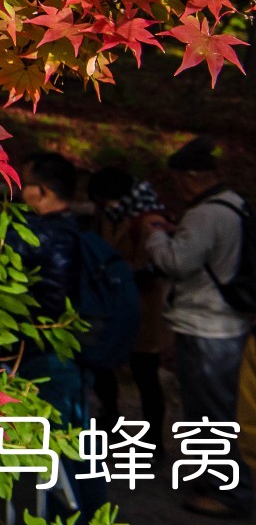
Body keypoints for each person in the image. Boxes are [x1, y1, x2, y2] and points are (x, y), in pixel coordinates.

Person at [146, 136, 253, 519]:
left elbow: (177, 262)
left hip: (207, 326)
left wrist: (156, 232)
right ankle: (219, 482)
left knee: (209, 413)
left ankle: (231, 494)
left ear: (191, 178)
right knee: (217, 409)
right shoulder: (233, 204)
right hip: (227, 322)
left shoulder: (206, 214)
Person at [18, 152, 110, 519]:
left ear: (41, 190)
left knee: (56, 444)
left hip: (47, 354)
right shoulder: (79, 231)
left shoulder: (45, 235)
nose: (19, 191)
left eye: (25, 184)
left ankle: (73, 514)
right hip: (73, 352)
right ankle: (91, 512)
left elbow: (50, 302)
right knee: (77, 440)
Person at [91, 164, 171, 444]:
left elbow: (159, 267)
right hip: (113, 308)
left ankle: (154, 440)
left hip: (143, 311)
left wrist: (120, 276)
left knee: (146, 376)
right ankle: (110, 419)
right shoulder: (108, 215)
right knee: (104, 368)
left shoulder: (148, 222)